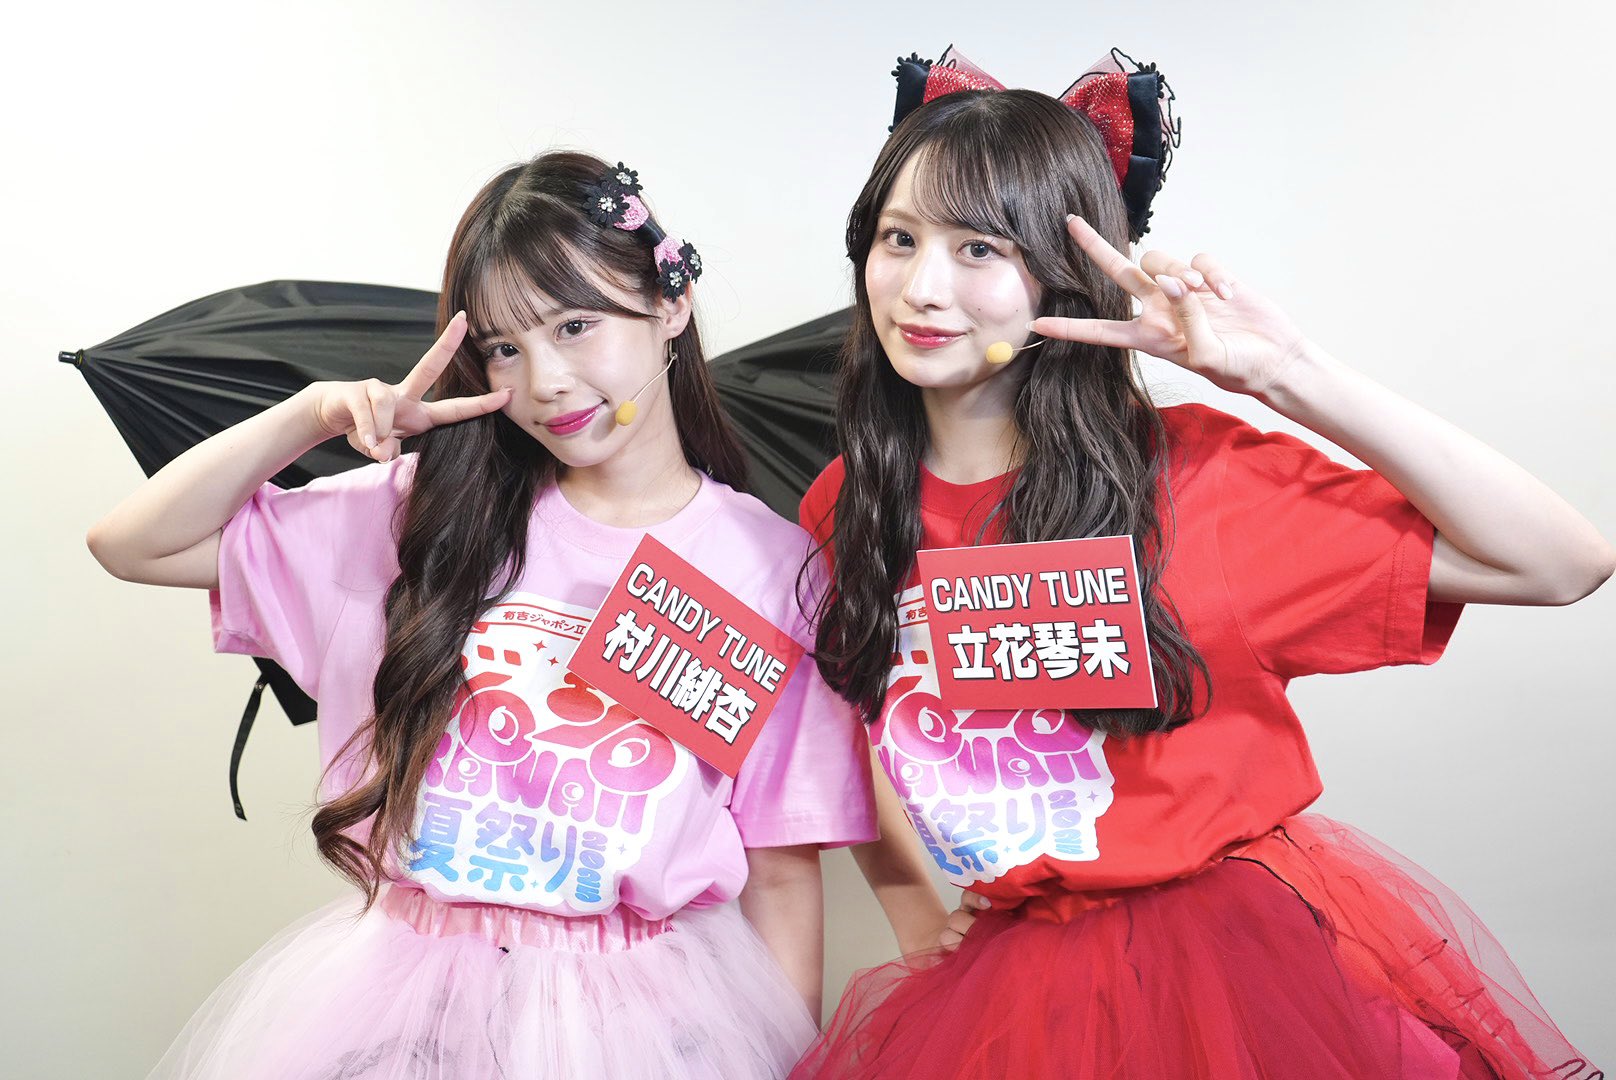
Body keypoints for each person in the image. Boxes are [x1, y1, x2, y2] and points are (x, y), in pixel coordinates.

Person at [791, 48, 1611, 1078]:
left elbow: (1559, 563)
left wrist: (1286, 373)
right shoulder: (848, 503)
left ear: (1062, 271)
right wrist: (915, 909)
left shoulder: (1197, 485)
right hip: (1013, 992)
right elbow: (839, 722)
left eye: (979, 249)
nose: (920, 287)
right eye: (898, 238)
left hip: (1234, 976)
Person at [87, 150, 876, 1079]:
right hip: (413, 1004)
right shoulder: (422, 514)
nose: (545, 381)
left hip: (646, 1024)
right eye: (505, 347)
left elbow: (782, 873)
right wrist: (311, 416)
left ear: (671, 304)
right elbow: (133, 545)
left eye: (575, 325)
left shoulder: (774, 567)